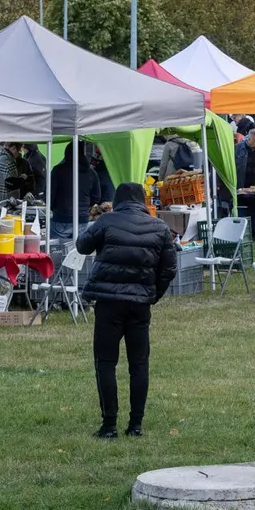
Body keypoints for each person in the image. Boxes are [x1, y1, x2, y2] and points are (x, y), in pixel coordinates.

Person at [75, 182, 178, 439]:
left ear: (117, 199)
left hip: (108, 303)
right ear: (143, 200)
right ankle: (136, 425)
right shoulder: (160, 227)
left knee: (106, 363)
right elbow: (169, 269)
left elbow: (81, 246)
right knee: (139, 364)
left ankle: (109, 425)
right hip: (140, 305)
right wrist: (152, 295)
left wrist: (96, 223)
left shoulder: (107, 221)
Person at [50, 139, 103, 239]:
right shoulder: (91, 173)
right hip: (82, 219)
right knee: (77, 250)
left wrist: (54, 208)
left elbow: (50, 195)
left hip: (61, 218)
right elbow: (97, 197)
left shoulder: (58, 170)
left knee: (57, 250)